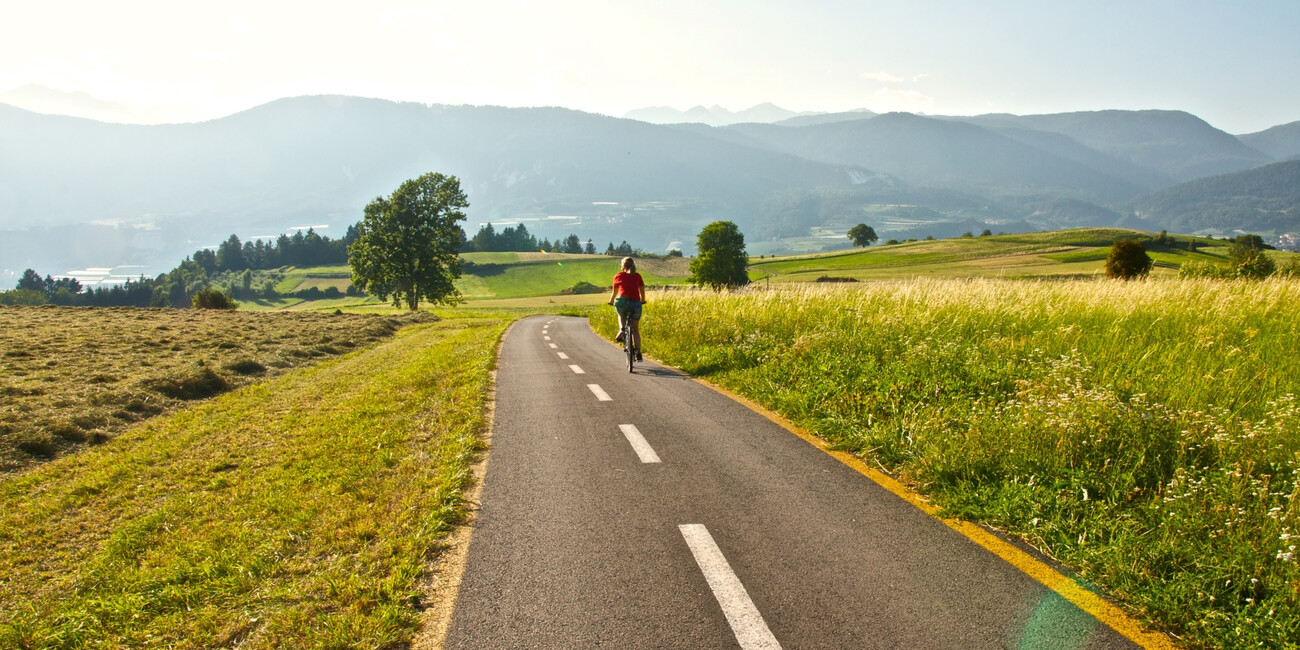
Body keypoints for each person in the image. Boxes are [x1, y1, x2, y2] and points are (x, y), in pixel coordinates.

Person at [607, 256, 646, 361]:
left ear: (622, 266)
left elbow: (614, 292)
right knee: (635, 330)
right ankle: (638, 352)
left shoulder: (619, 276)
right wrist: (642, 300)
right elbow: (642, 290)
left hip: (622, 303)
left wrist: (611, 302)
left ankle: (622, 329)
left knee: (621, 315)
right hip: (636, 304)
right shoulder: (637, 276)